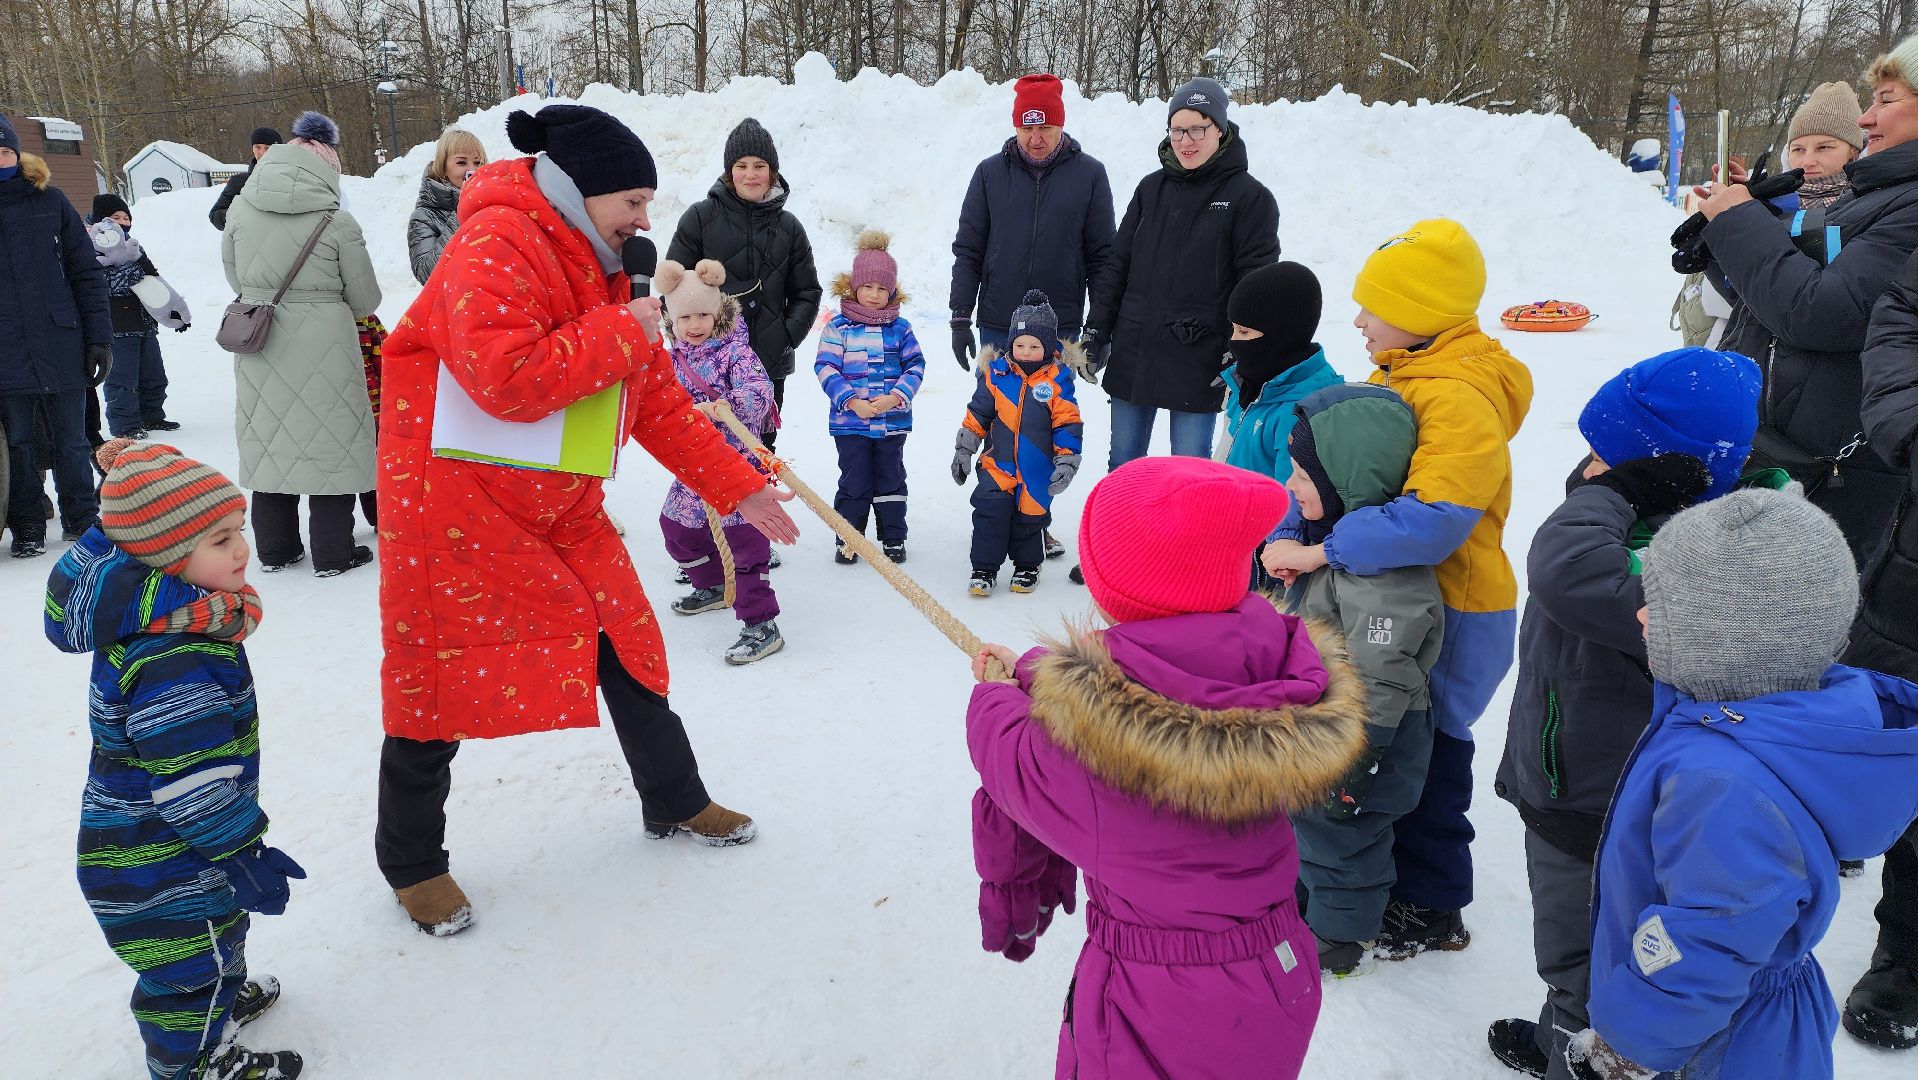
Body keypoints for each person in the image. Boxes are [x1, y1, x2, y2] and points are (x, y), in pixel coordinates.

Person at [374, 104, 800, 935]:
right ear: (579, 191)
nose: (647, 220)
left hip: (557, 501)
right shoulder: (491, 246)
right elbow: (504, 376)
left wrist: (737, 484)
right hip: (459, 509)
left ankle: (674, 799)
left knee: (626, 640)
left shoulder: (597, 262)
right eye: (633, 202)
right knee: (439, 678)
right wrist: (619, 326)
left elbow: (654, 400)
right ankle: (413, 862)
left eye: (647, 203)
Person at [967, 456, 1366, 1080]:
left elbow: (1014, 762)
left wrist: (994, 693)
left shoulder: (1096, 761)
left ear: (1116, 588)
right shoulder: (1265, 666)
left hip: (1158, 1001)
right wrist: (1034, 671)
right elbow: (1156, 676)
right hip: (1279, 970)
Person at [1568, 488, 1918, 1080]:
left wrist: (1627, 1049)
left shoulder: (1724, 782)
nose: (1641, 616)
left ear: (1725, 642)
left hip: (1712, 1043)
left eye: (1662, 608)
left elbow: (1711, 939)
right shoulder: (1777, 721)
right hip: (1737, 1017)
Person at [1484, 347, 1763, 1080]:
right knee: (1570, 944)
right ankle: (1561, 1032)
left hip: (1598, 803)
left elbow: (1565, 566)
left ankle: (1578, 1050)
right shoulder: (1658, 526)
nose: (1588, 469)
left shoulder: (1679, 558)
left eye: (1605, 457)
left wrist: (1615, 495)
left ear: (1661, 473)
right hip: (1572, 775)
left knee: (1591, 954)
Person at [1263, 218, 1532, 961]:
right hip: (1388, 597)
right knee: (1387, 745)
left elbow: (1434, 521)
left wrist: (1323, 555)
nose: (1357, 322)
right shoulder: (1405, 374)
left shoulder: (1456, 397)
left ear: (1418, 315)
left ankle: (1431, 902)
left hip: (1454, 605)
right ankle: (1373, 879)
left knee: (1428, 753)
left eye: (1371, 309)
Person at [46, 440, 307, 1080]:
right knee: (188, 961)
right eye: (219, 540)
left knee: (213, 934)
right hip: (161, 854)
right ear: (165, 559)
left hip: (148, 836)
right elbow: (195, 785)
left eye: (238, 530)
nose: (242, 549)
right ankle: (191, 1060)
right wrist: (243, 849)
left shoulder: (167, 624)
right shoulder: (176, 659)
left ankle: (219, 994)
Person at [1698, 53, 1918, 560]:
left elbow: (1821, 314)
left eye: (1886, 100)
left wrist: (1740, 223)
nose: (1866, 120)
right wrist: (1724, 234)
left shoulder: (1905, 204)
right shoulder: (1877, 193)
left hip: (1838, 464)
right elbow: (1761, 299)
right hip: (1793, 441)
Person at [1280, 383, 1444, 977]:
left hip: (1372, 737)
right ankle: (1316, 906)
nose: (1292, 488)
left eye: (1302, 475)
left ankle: (1339, 940)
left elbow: (1381, 671)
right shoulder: (1337, 547)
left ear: (1345, 478)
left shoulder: (1381, 571)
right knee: (1318, 828)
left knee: (1347, 842)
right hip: (1329, 726)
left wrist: (1360, 751)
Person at [950, 74, 1111, 566]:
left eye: (1045, 126)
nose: (1035, 137)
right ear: (1016, 125)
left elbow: (1104, 255)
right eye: (1026, 126)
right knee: (999, 424)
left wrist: (1099, 328)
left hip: (1059, 329)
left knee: (1044, 427)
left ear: (1060, 124)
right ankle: (996, 516)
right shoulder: (988, 174)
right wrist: (960, 316)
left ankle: (1035, 524)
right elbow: (968, 248)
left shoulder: (1089, 174)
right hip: (1000, 325)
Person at [1081, 77, 1278, 466]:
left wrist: (1240, 350)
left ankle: (1186, 530)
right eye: (1177, 129)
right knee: (1124, 462)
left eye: (1197, 129)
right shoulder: (1150, 190)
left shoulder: (1249, 198)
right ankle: (1120, 529)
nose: (1186, 140)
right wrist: (1097, 330)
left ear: (1220, 131)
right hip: (1136, 348)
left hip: (1201, 357)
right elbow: (1118, 266)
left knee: (1188, 469)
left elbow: (1255, 286)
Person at [220, 112, 381, 577]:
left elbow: (234, 276)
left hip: (260, 335)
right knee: (333, 442)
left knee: (271, 440)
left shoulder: (240, 211)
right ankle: (333, 553)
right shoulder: (337, 221)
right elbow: (366, 298)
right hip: (326, 338)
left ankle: (276, 549)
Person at [655, 257, 785, 664]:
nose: (694, 325)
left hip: (737, 464)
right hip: (694, 466)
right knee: (676, 528)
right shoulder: (672, 358)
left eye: (702, 316)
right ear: (671, 321)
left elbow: (761, 393)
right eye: (685, 317)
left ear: (718, 315)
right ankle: (711, 583)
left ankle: (761, 623)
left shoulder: (736, 352)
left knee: (746, 547)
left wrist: (727, 405)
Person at [668, 117, 821, 450]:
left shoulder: (789, 227)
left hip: (768, 362)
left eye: (760, 165)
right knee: (703, 450)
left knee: (761, 449)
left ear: (772, 172)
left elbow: (807, 291)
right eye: (742, 165)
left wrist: (785, 337)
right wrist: (691, 339)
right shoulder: (699, 218)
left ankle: (756, 501)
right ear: (729, 171)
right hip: (706, 360)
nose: (751, 174)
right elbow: (674, 286)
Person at [1674, 82, 1864, 349]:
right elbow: (1735, 293)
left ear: (1854, 152)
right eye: (1798, 149)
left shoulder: (1867, 206)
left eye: (1824, 148)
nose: (1807, 160)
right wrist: (1727, 224)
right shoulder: (1769, 201)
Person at [0, 114, 110, 559]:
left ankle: (82, 519)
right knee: (20, 444)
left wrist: (99, 337)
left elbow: (87, 273)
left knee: (73, 440)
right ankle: (26, 523)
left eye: (5, 151)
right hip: (6, 352)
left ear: (17, 152)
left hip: (62, 341)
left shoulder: (52, 200)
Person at [953, 291, 1082, 596]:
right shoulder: (996, 376)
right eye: (1019, 345)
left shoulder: (1057, 382)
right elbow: (978, 413)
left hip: (1037, 466)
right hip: (998, 463)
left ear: (1048, 347)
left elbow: (1067, 422)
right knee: (989, 513)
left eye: (1033, 346)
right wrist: (964, 448)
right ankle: (983, 568)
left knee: (1030, 517)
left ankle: (1027, 567)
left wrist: (1067, 460)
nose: (1025, 352)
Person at [815, 229, 925, 565]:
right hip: (851, 425)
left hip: (892, 423)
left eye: (882, 288)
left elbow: (916, 365)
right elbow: (826, 367)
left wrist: (896, 397)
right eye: (868, 287)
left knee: (891, 478)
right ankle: (849, 538)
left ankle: (893, 537)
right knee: (855, 481)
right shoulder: (839, 327)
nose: (874, 294)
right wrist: (851, 401)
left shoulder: (900, 328)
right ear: (854, 286)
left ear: (891, 289)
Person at [1219, 261, 1343, 484]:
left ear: (1280, 335)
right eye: (1234, 329)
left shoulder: (1300, 413)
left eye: (1244, 332)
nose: (1233, 341)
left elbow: (1292, 507)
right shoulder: (1246, 386)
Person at [87, 194, 181, 438]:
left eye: (125, 218)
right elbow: (102, 283)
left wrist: (174, 312)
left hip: (144, 322)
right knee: (122, 379)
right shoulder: (90, 246)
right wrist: (132, 272)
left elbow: (152, 277)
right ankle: (125, 426)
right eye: (115, 218)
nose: (122, 222)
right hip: (117, 325)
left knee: (154, 376)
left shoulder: (132, 245)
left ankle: (152, 416)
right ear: (101, 221)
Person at [408, 126, 486, 284]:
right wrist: (461, 213)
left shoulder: (490, 205)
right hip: (454, 304)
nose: (472, 169)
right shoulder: (424, 216)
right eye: (461, 162)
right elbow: (426, 274)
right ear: (444, 168)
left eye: (478, 162)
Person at [208, 126, 282, 231]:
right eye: (258, 147)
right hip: (249, 244)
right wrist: (244, 214)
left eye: (267, 148)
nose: (262, 153)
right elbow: (215, 216)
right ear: (252, 148)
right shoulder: (238, 182)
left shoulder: (288, 180)